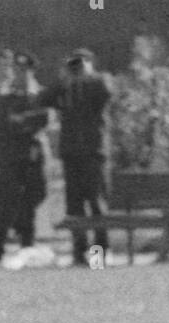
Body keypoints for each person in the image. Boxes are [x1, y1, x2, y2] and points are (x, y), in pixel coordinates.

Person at [35, 49, 112, 267]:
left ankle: (99, 255)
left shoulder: (98, 82)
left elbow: (105, 94)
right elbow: (43, 99)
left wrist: (86, 75)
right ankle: (79, 254)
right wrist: (63, 80)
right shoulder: (65, 87)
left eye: (79, 64)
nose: (76, 69)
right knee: (75, 207)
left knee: (96, 206)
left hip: (93, 153)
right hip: (72, 154)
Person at [0, 52, 49, 264]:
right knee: (4, 202)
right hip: (0, 155)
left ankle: (26, 246)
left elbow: (43, 120)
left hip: (29, 157)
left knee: (29, 200)